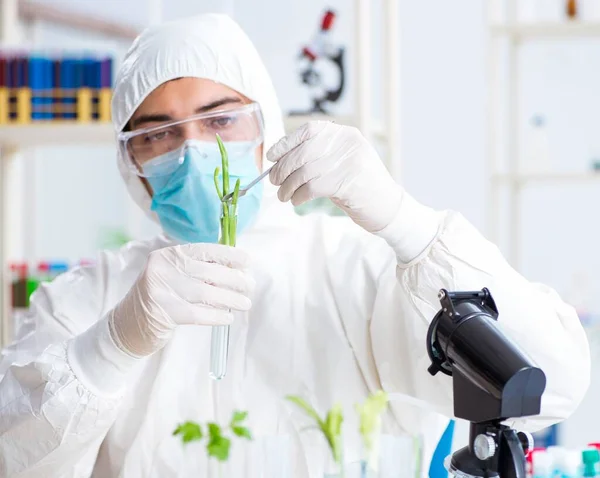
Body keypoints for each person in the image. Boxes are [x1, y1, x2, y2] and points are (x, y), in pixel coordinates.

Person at [0, 14, 590, 478]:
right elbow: (13, 458)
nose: (195, 150)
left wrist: (405, 224)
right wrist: (112, 344)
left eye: (220, 119)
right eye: (158, 133)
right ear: (131, 161)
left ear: (266, 122)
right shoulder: (90, 296)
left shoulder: (355, 269)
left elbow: (550, 386)